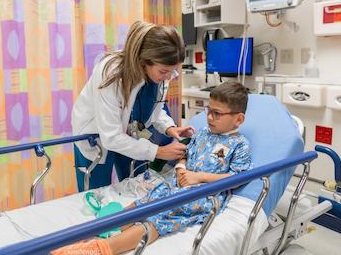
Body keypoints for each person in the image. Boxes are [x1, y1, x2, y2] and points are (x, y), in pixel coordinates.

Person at [56, 81, 252, 255]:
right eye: (208, 110)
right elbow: (184, 155)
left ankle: (104, 249)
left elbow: (238, 177)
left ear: (238, 119)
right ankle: (96, 234)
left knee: (160, 215)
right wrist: (181, 168)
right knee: (142, 203)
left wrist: (198, 177)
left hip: (202, 196)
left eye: (216, 113)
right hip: (176, 185)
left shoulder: (239, 144)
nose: (209, 117)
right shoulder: (202, 134)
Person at [72, 21, 194, 191]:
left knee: (136, 186)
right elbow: (111, 137)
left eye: (171, 71)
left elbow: (155, 110)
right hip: (96, 137)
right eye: (163, 71)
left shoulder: (158, 76)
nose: (167, 77)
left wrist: (169, 127)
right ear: (144, 61)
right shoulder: (112, 73)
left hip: (130, 134)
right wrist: (158, 152)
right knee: (95, 195)